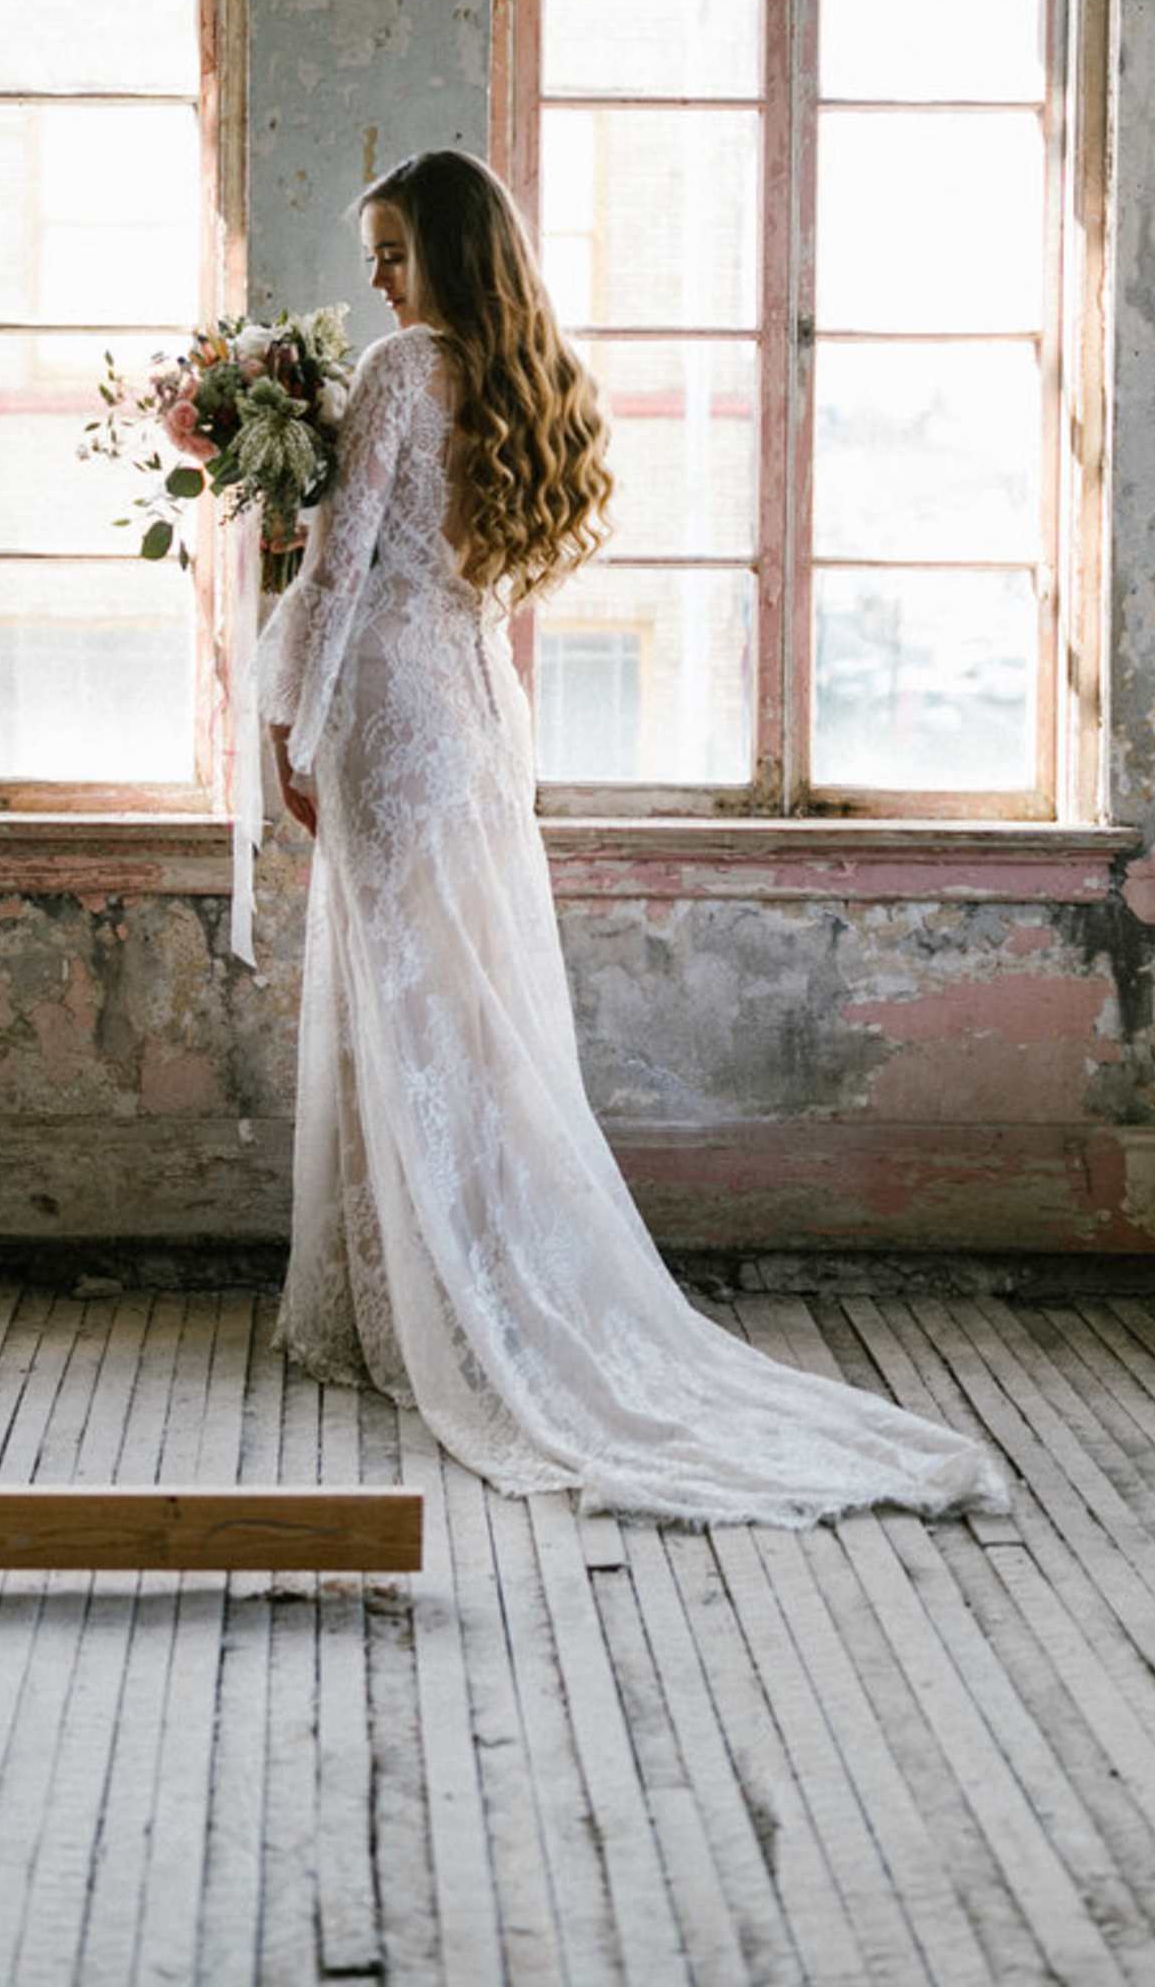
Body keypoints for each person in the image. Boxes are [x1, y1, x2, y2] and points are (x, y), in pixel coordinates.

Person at [257, 148, 1013, 1525]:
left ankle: (436, 1313)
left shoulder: (395, 375)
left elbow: (338, 563)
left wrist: (278, 725)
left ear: (445, 254)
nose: (374, 280)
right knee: (467, 1021)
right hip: (476, 719)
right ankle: (454, 1289)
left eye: (391, 253)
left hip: (389, 714)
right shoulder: (519, 374)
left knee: (408, 1018)